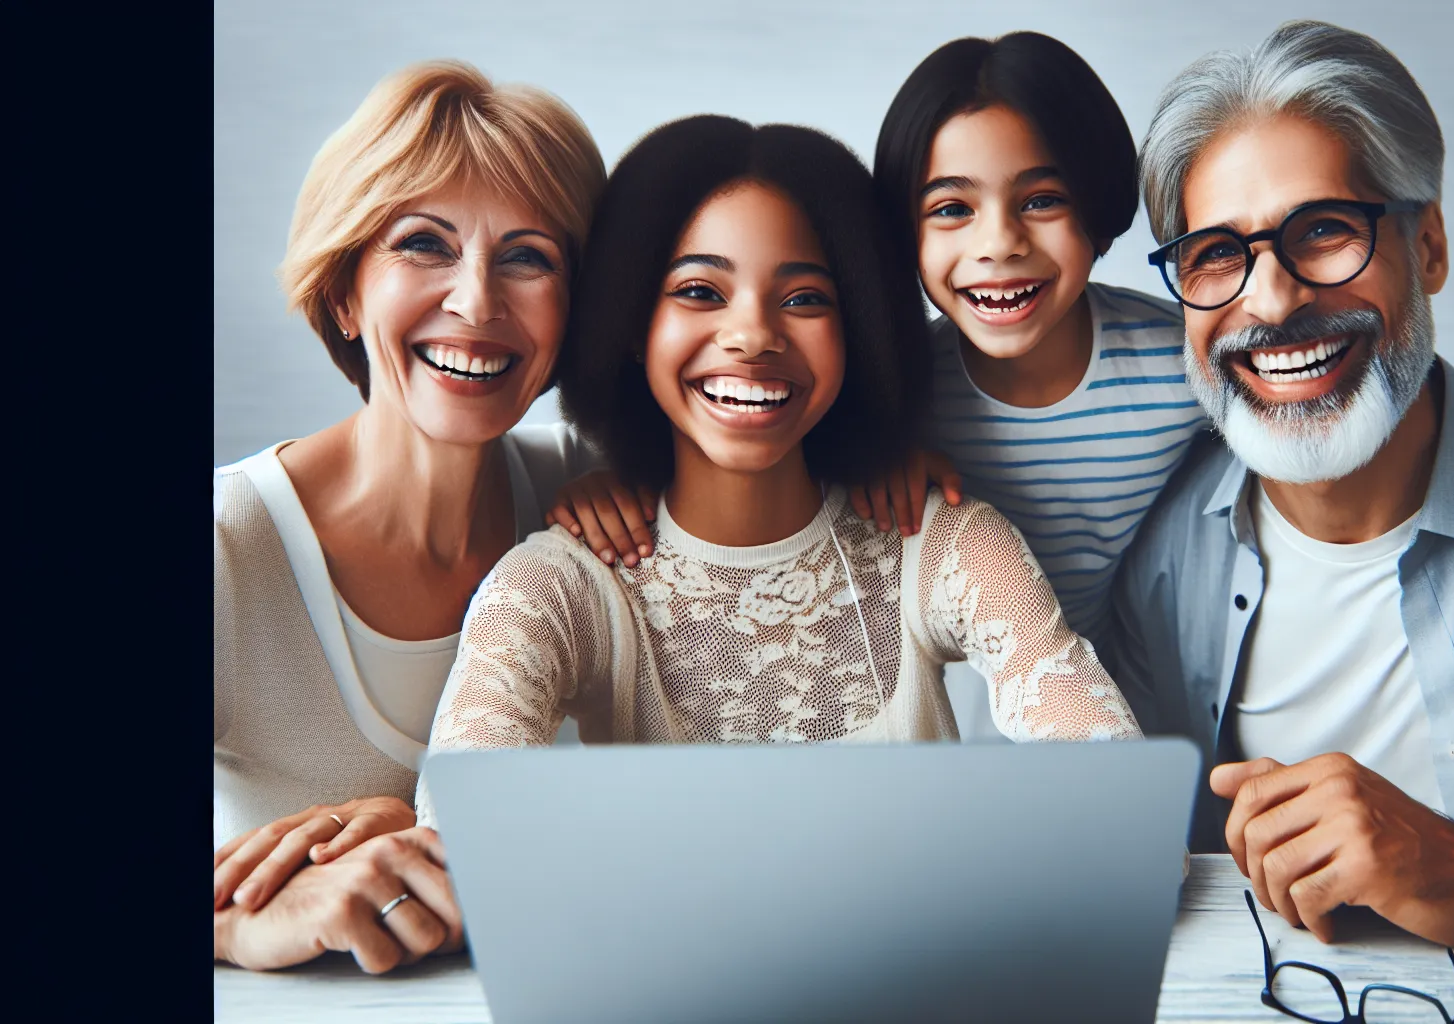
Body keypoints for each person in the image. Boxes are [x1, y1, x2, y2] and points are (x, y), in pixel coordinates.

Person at [412, 115, 1140, 825]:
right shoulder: (554, 586)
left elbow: (1124, 807)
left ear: (858, 334)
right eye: (699, 291)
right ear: (634, 324)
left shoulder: (948, 547)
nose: (753, 336)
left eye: (805, 299)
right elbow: (461, 839)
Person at [546, 34, 1209, 740]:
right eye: (952, 208)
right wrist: (606, 478)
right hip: (957, 713)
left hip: (1131, 693)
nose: (1000, 244)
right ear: (900, 239)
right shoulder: (898, 389)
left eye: (1042, 199)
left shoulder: (1184, 363)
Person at [1109, 20, 1454, 955]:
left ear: (1429, 246)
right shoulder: (1155, 554)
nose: (1273, 300)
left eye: (1323, 230)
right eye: (1215, 254)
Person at [212, 60, 607, 973]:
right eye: (423, 244)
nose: (477, 302)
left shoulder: (595, 501)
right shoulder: (226, 548)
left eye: (529, 257)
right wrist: (236, 923)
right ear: (344, 291)